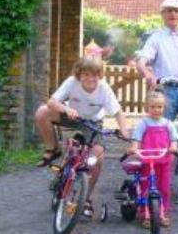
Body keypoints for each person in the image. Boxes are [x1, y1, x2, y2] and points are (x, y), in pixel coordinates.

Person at [34, 56, 129, 217]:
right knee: (42, 112)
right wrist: (66, 109)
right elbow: (52, 102)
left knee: (97, 157)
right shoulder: (72, 82)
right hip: (72, 117)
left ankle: (86, 198)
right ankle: (53, 149)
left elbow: (118, 112)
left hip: (92, 123)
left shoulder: (103, 88)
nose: (90, 78)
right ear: (79, 74)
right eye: (85, 74)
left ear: (99, 75)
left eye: (94, 74)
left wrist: (124, 130)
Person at [127, 90, 178, 228]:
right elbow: (137, 138)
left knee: (164, 188)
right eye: (153, 107)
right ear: (147, 108)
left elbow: (174, 139)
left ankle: (162, 213)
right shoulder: (143, 123)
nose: (156, 110)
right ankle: (145, 213)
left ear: (164, 107)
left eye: (160, 107)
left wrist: (173, 147)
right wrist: (134, 147)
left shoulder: (168, 123)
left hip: (164, 161)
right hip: (148, 161)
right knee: (146, 187)